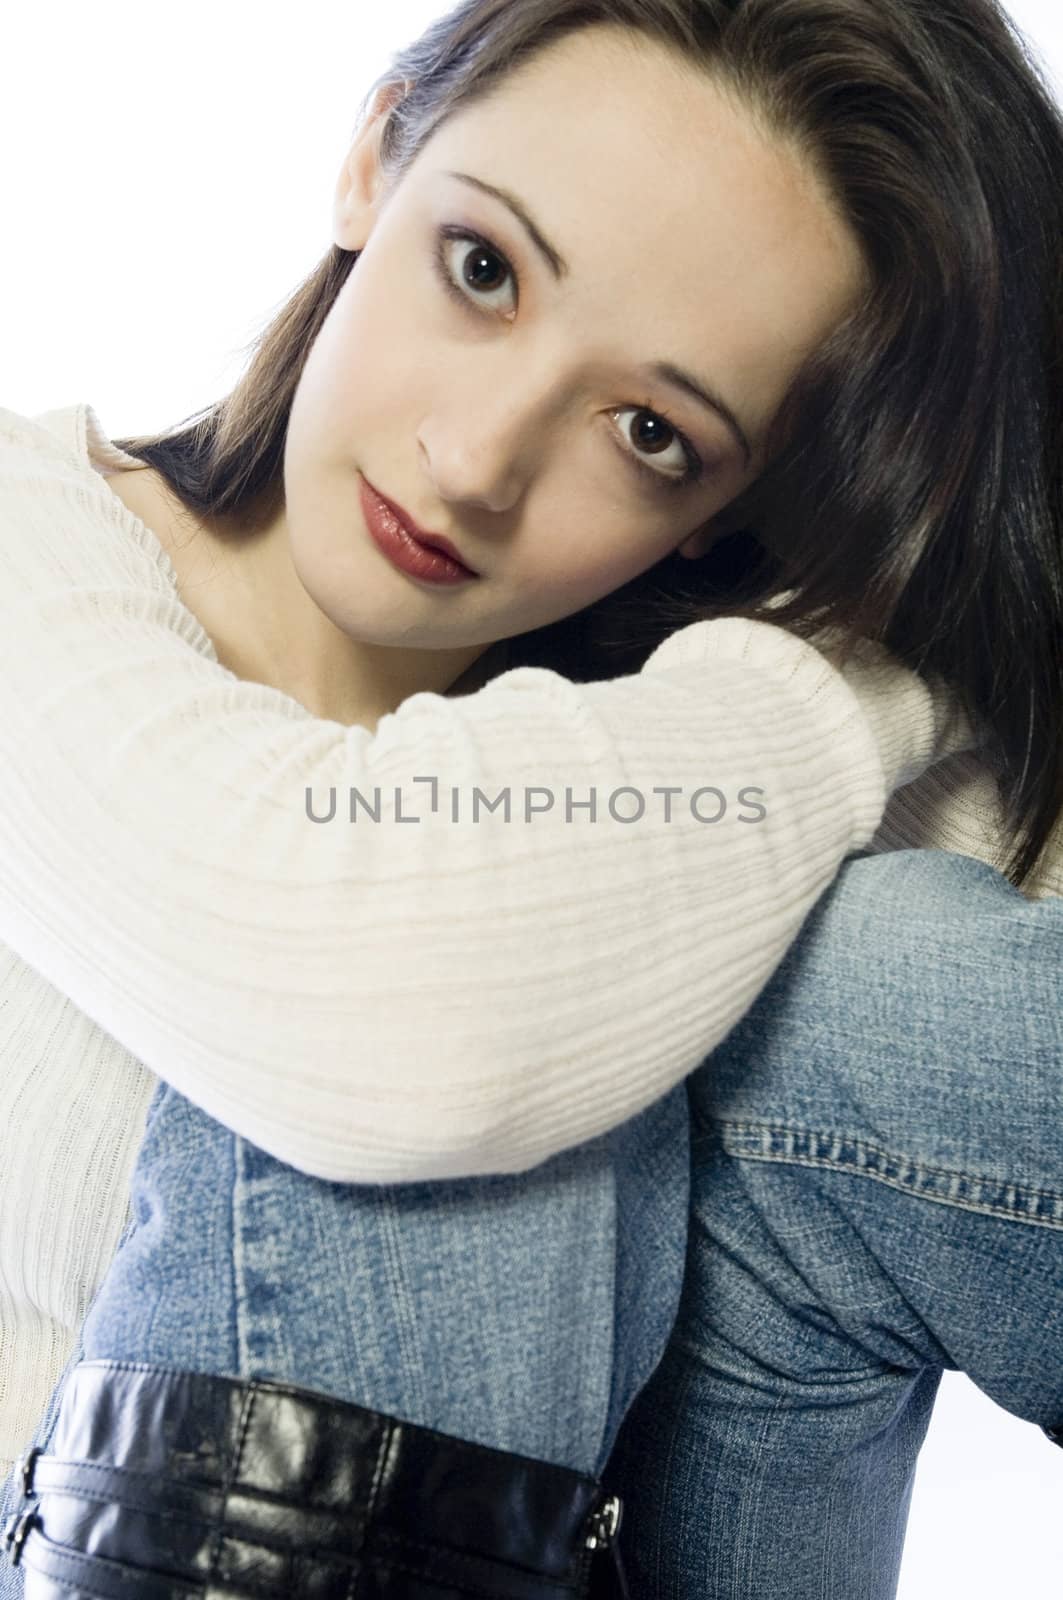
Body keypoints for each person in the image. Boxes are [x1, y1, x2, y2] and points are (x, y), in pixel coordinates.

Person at [0, 0, 1059, 1593]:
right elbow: (381, 1004)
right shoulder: (28, 546)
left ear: (728, 510)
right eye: (484, 270)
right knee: (522, 985)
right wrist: (865, 669)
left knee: (872, 970)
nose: (477, 462)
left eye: (652, 433)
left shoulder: (694, 757)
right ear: (374, 160)